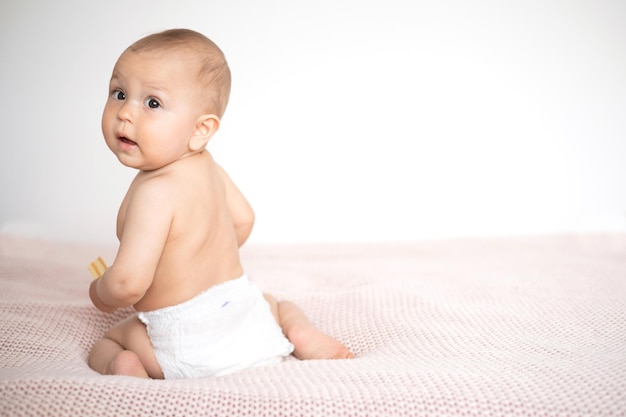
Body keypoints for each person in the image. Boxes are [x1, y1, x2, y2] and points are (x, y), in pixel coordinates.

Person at [88, 28, 354, 379]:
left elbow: (127, 283)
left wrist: (101, 291)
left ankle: (126, 367)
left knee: (111, 341)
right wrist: (202, 258)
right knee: (278, 305)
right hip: (244, 312)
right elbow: (243, 219)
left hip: (186, 344)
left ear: (201, 129)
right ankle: (301, 334)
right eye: (119, 93)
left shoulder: (153, 192)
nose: (126, 114)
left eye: (152, 103)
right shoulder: (208, 166)